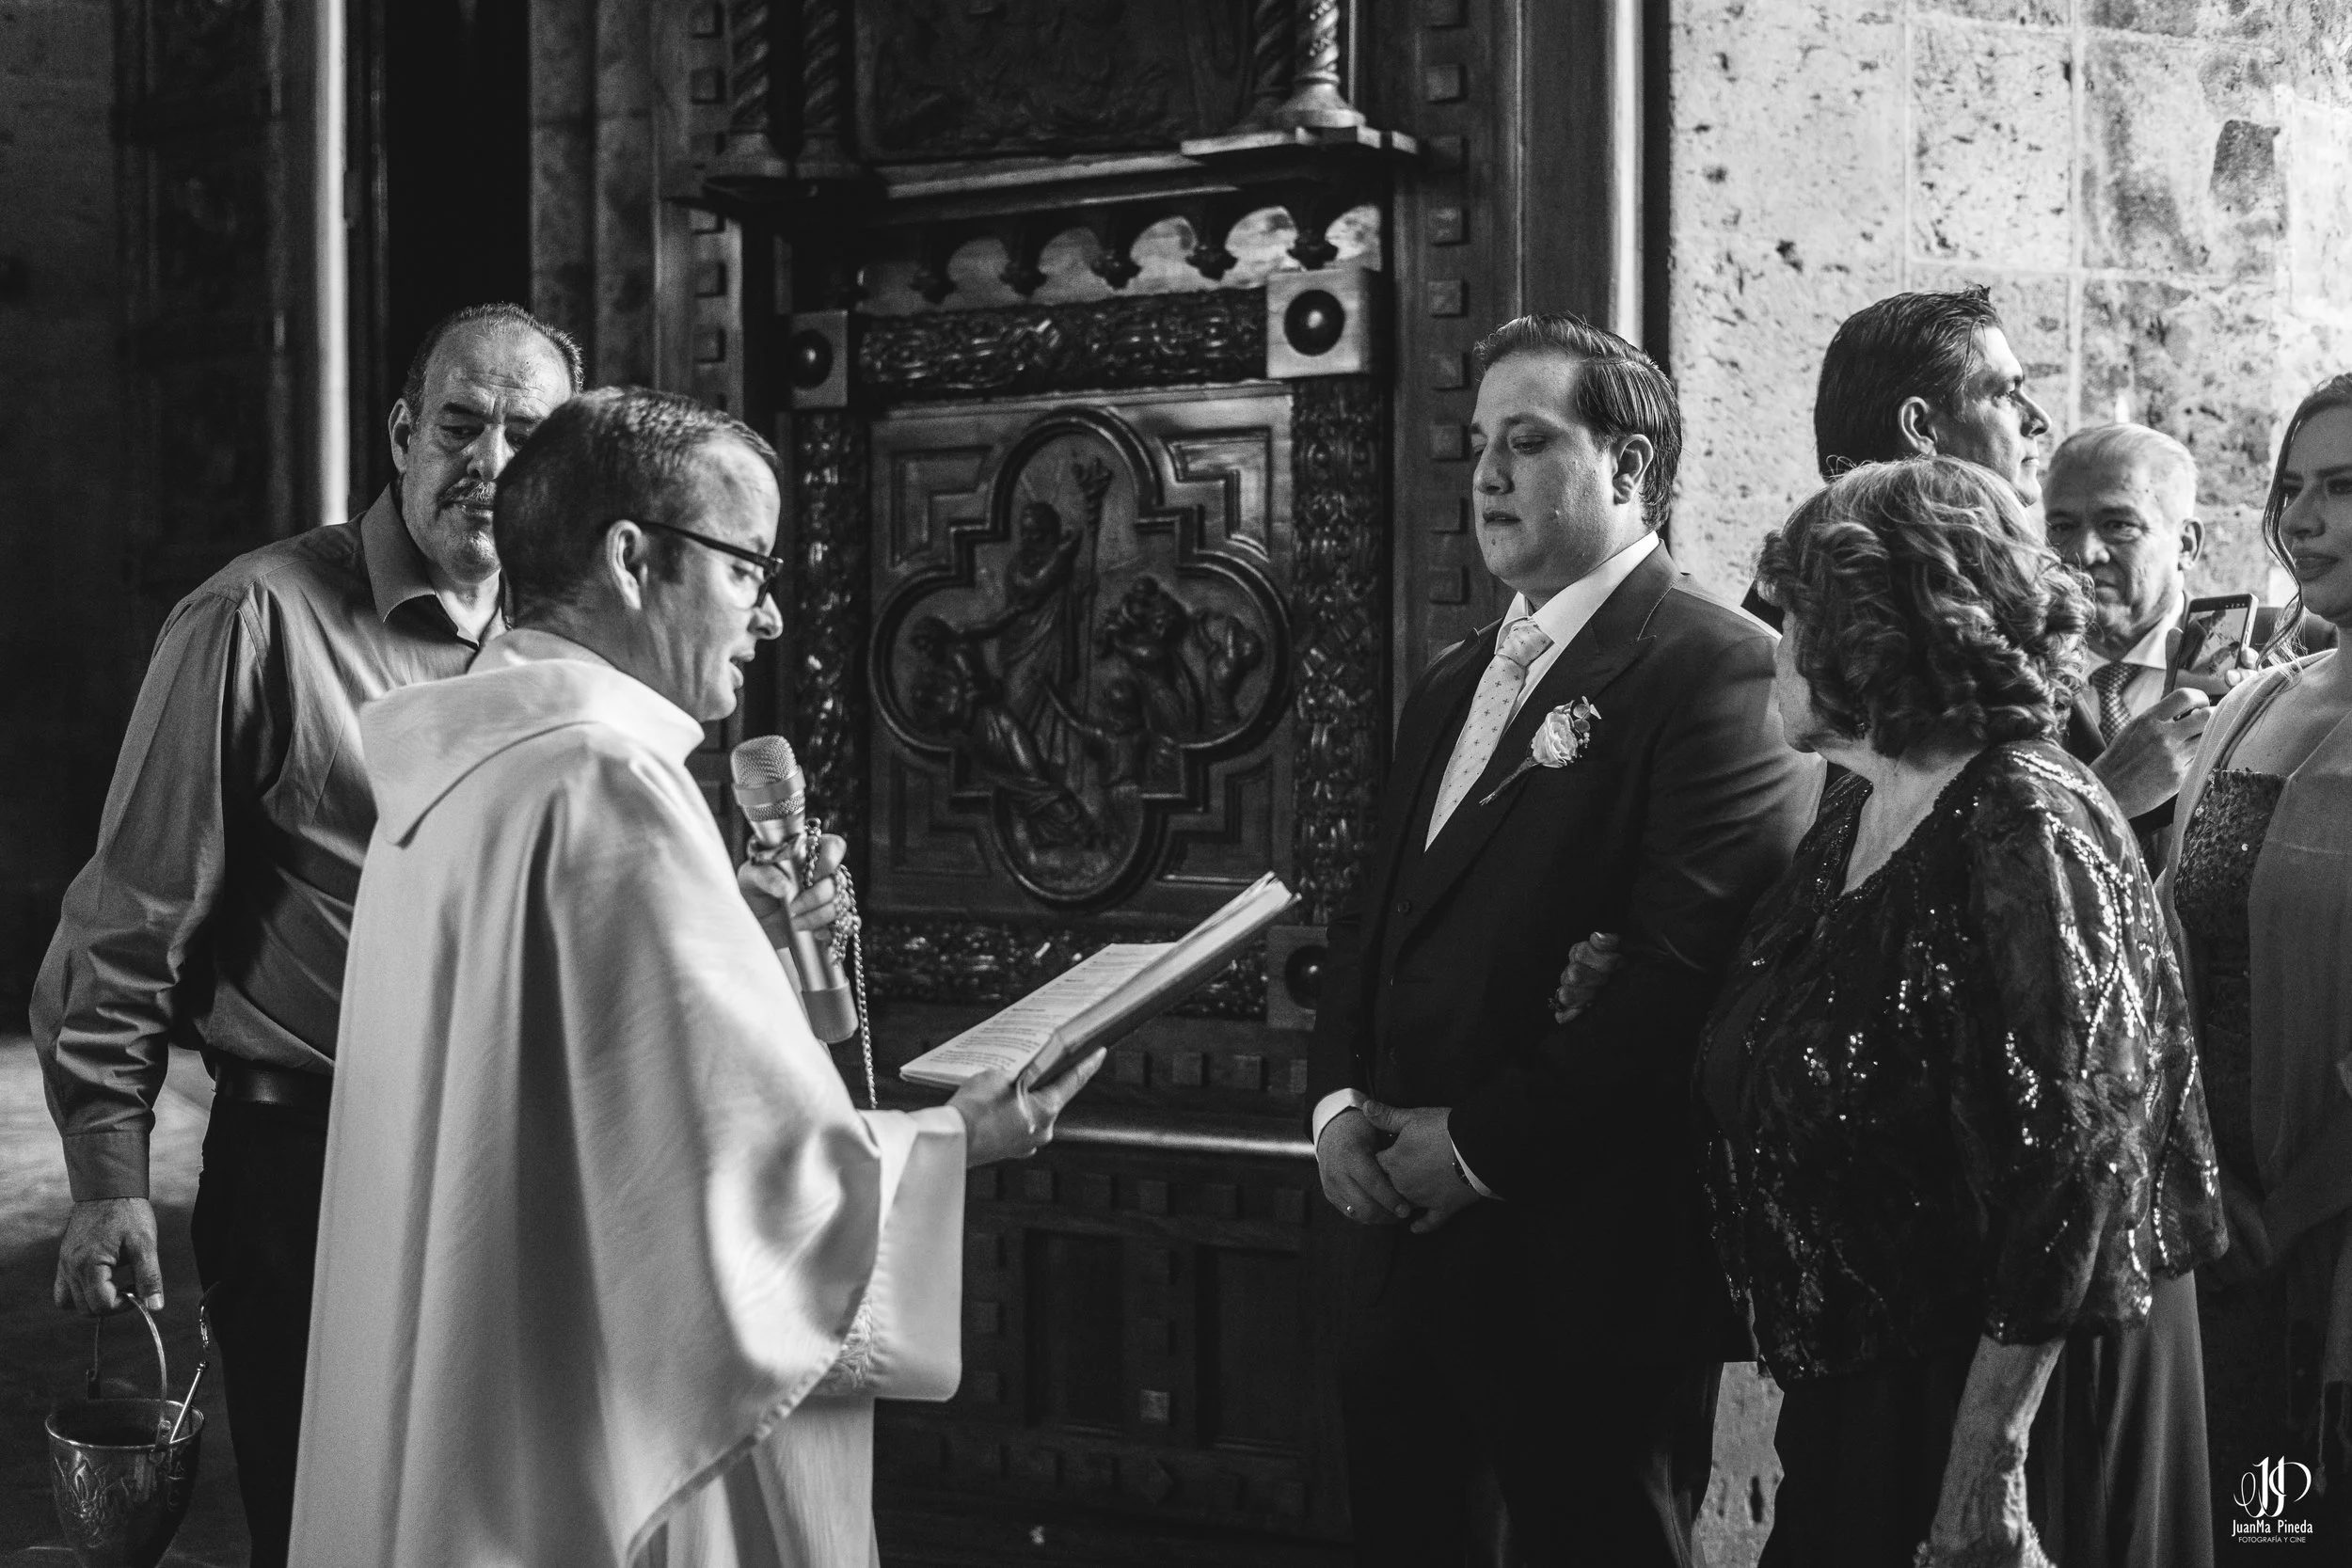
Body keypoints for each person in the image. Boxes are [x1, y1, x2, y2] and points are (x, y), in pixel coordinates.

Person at [288, 388, 1104, 1567]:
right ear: (632, 558)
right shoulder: (604, 779)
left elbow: (572, 1095)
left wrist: (740, 935)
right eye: (745, 567)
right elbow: (723, 1185)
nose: (768, 613)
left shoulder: (470, 768)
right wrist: (955, 1139)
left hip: (479, 1385)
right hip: (590, 1420)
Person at [33, 302, 581, 1566]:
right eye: (459, 425)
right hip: (306, 1164)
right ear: (401, 433)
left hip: (505, 1159)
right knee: (329, 1529)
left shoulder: (559, 642)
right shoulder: (254, 615)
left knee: (482, 1526)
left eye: (524, 435)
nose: (489, 463)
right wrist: (109, 1177)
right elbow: (131, 912)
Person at [1307, 311, 1815, 1565]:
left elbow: (1678, 977)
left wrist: (1476, 1146)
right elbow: (1372, 916)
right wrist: (1335, 1106)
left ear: (1628, 466)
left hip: (1582, 1271)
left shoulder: (1718, 668)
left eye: (1527, 442)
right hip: (1398, 1254)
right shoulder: (1455, 676)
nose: (1485, 475)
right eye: (1478, 442)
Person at [1703, 457, 2227, 1567]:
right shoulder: (1861, 801)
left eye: (1791, 615)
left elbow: (2084, 1160)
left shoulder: (2026, 814)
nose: (1772, 645)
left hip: (2007, 1392)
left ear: (1868, 632)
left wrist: (1987, 1452)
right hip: (1873, 1372)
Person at [2161, 373, 2352, 1544]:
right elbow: (2166, 949)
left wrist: (2282, 1215)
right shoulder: (2252, 703)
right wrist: (2195, 1183)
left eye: (2344, 487)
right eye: (2292, 488)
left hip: (2319, 1226)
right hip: (2205, 1225)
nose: (2304, 518)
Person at [2042, 422, 2329, 870]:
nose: (2084, 551)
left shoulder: (2299, 651)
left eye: (2117, 525)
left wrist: (2260, 740)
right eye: (2062, 526)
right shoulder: (2005, 675)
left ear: (2187, 544)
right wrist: (2105, 794)